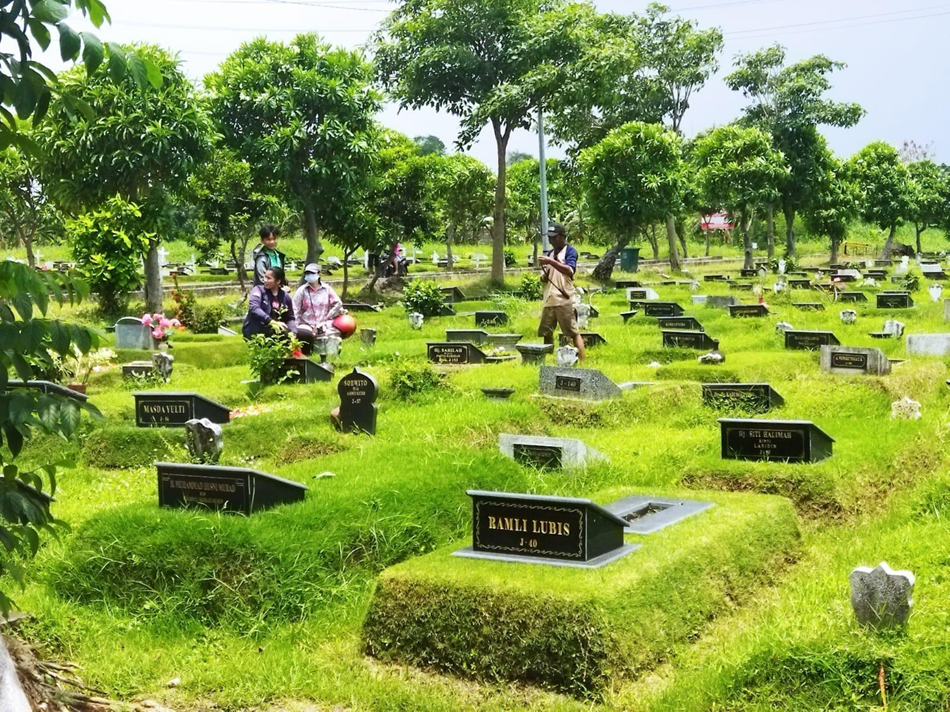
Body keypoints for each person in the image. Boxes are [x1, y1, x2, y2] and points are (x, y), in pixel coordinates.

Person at [538, 222, 585, 362]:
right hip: (549, 299)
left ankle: (583, 361)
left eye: (554, 237)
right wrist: (545, 272)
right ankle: (546, 360)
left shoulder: (570, 251)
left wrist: (551, 262)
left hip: (563, 300)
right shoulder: (550, 254)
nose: (551, 241)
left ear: (562, 236)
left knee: (572, 332)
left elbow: (570, 270)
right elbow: (544, 278)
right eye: (550, 238)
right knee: (546, 332)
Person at [292, 263, 344, 355]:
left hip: (323, 322)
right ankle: (307, 353)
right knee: (304, 333)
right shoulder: (302, 290)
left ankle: (330, 354)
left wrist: (328, 317)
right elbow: (295, 310)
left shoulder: (326, 289)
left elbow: (338, 303)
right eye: (307, 273)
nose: (309, 275)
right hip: (306, 323)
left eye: (312, 273)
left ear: (318, 274)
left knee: (336, 331)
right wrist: (295, 327)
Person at [242, 267, 297, 341]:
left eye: (268, 278)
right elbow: (254, 308)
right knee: (282, 333)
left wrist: (293, 333)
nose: (265, 280)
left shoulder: (285, 297)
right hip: (257, 329)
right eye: (265, 277)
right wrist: (271, 321)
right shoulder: (258, 290)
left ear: (278, 281)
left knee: (305, 335)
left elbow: (290, 318)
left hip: (277, 328)